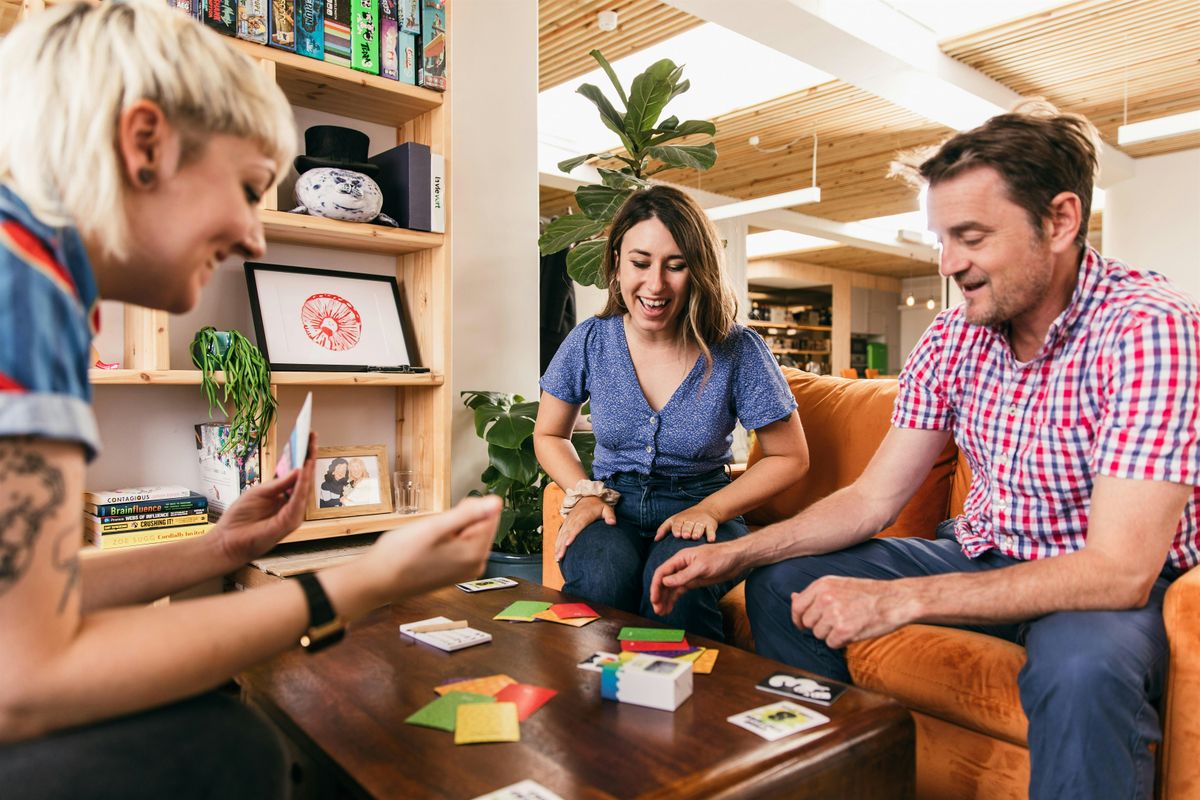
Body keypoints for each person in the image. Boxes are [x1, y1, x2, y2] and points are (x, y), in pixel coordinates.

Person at [0, 4, 500, 798]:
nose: (257, 238)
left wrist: (221, 549)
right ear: (145, 145)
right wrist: (365, 582)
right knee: (222, 749)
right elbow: (24, 678)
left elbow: (24, 603)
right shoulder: (20, 287)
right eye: (248, 187)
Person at [649, 101, 1199, 799]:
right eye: (941, 239)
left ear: (1059, 221)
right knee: (785, 585)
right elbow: (872, 499)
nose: (949, 265)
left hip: (1108, 584)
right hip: (987, 548)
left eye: (970, 237)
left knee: (1083, 668)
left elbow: (1119, 570)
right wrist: (736, 554)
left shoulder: (1150, 329)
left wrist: (898, 601)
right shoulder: (953, 335)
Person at [534, 185, 809, 642]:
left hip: (701, 503)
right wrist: (582, 491)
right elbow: (549, 435)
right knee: (602, 579)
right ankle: (589, 706)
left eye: (676, 265)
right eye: (640, 263)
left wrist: (712, 509)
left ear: (698, 269)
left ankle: (686, 707)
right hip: (610, 503)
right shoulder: (589, 340)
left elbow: (790, 457)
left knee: (675, 583)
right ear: (617, 261)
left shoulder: (737, 348)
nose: (655, 284)